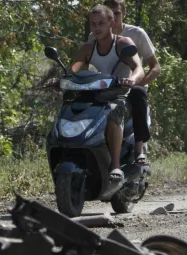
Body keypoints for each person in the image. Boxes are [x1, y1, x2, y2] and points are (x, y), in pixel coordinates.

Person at [69, 4, 144, 182]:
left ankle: (115, 165)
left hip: (120, 96)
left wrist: (131, 79)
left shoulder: (123, 44)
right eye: (93, 24)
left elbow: (139, 69)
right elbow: (74, 69)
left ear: (112, 22)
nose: (97, 28)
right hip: (95, 95)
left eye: (101, 23)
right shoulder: (88, 48)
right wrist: (61, 80)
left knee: (113, 114)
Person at [87, 0, 160, 165]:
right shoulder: (94, 36)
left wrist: (138, 82)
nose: (114, 18)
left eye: (117, 13)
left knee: (138, 93)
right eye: (110, 14)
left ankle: (139, 149)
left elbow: (155, 67)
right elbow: (84, 63)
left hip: (130, 87)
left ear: (124, 14)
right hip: (105, 87)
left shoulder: (136, 34)